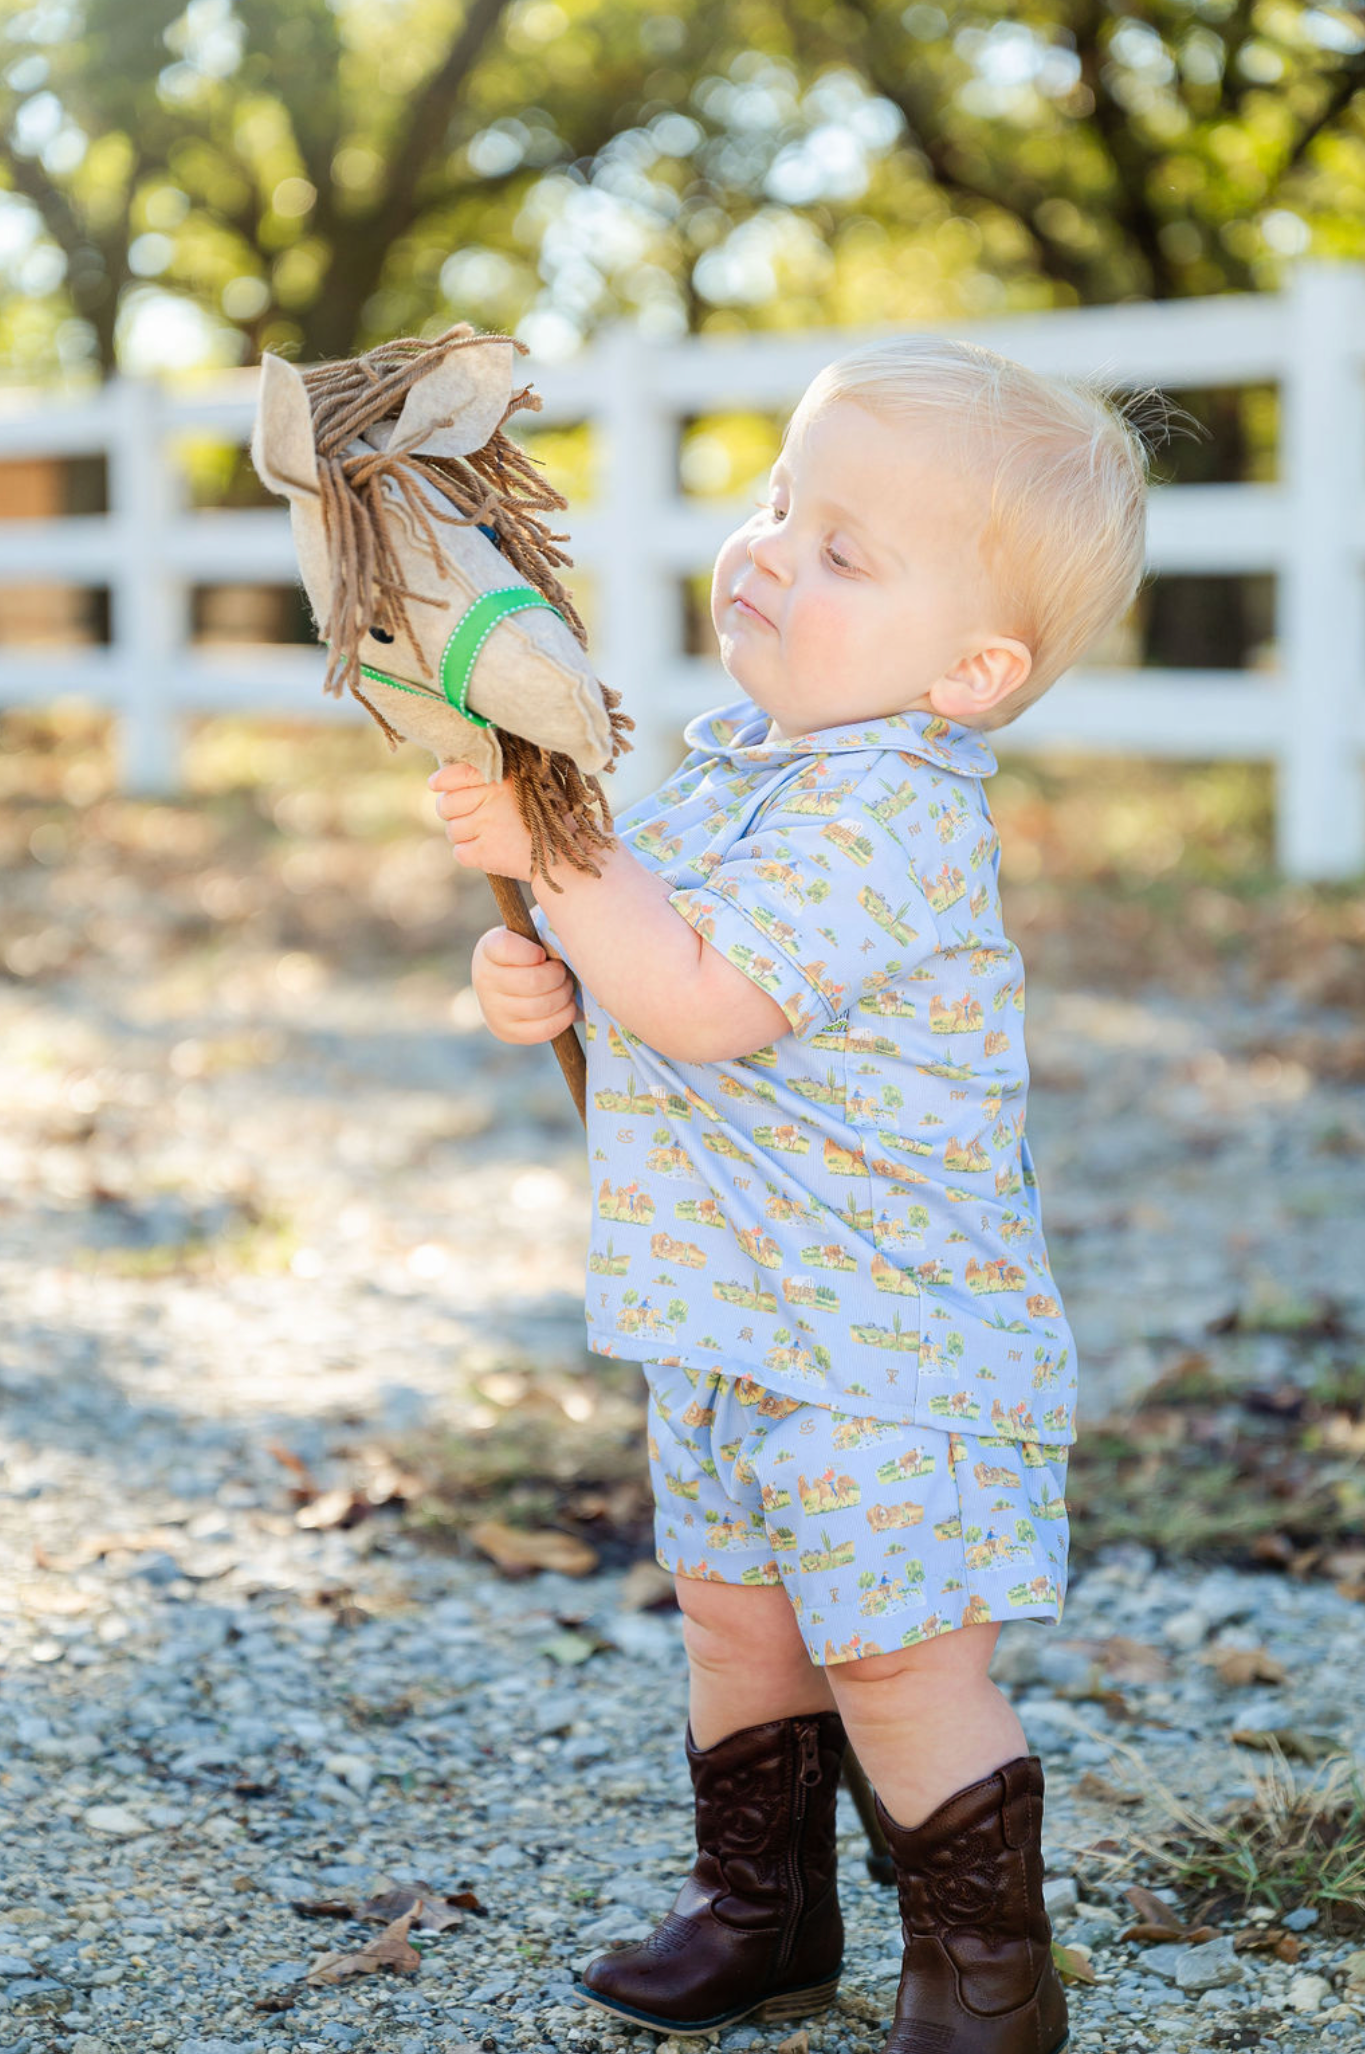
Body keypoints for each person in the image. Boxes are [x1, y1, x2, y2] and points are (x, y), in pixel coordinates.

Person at [430, 335, 1149, 2054]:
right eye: (773, 502)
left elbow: (706, 999)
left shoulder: (891, 813)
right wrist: (531, 964)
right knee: (738, 1627)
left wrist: (562, 860)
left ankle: (985, 1977)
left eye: (842, 549)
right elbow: (634, 972)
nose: (766, 548)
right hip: (731, 1323)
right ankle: (762, 1907)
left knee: (899, 1660)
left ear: (968, 669)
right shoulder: (731, 773)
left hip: (888, 1359)